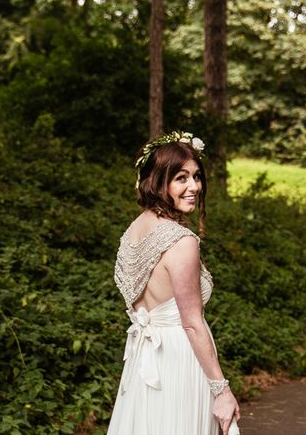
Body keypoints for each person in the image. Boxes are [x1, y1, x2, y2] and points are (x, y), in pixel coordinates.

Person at [107, 131, 241, 435]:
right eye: (181, 178)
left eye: (196, 176)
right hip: (180, 360)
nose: (194, 186)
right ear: (158, 181)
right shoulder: (182, 242)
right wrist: (221, 390)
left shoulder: (134, 230)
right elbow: (192, 323)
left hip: (146, 360)